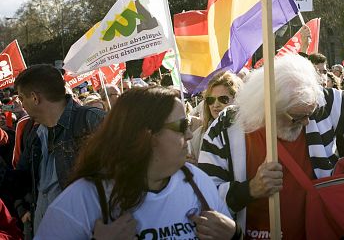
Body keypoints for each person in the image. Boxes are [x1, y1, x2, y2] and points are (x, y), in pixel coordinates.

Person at [198, 53, 344, 239]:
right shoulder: (227, 127)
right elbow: (206, 196)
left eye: (309, 114)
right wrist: (250, 189)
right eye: (296, 117)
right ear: (268, 108)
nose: (306, 122)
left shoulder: (318, 103)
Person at [35, 86, 237, 240]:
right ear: (147, 136)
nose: (190, 134)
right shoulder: (86, 198)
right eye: (182, 125)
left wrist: (234, 234)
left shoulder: (197, 181)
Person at [13, 65, 106, 233]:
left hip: (86, 231)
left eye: (21, 98)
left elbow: (122, 177)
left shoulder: (91, 120)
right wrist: (22, 208)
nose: (21, 104)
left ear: (34, 98)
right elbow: (20, 179)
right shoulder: (35, 133)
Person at [189, 72, 243, 161]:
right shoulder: (196, 137)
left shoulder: (248, 132)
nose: (215, 105)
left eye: (223, 99)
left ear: (236, 99)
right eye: (211, 100)